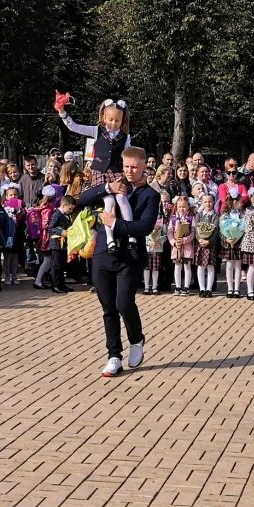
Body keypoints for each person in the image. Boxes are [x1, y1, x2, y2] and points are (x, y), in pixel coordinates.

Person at [75, 146, 160, 378]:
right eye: (126, 166)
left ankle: (136, 339)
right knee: (108, 307)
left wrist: (114, 224)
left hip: (129, 257)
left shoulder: (151, 195)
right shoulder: (112, 183)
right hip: (104, 253)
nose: (130, 171)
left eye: (134, 167)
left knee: (124, 303)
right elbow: (81, 200)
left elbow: (145, 227)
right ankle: (114, 355)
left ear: (144, 166)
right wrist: (106, 188)